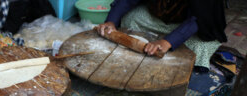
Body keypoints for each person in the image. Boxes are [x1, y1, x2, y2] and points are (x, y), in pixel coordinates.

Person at [96, 0, 227, 69]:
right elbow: (127, 1)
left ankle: (163, 46)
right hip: (158, 19)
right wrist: (111, 21)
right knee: (130, 18)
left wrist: (168, 41)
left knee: (200, 46)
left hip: (192, 23)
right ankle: (154, 43)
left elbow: (199, 17)